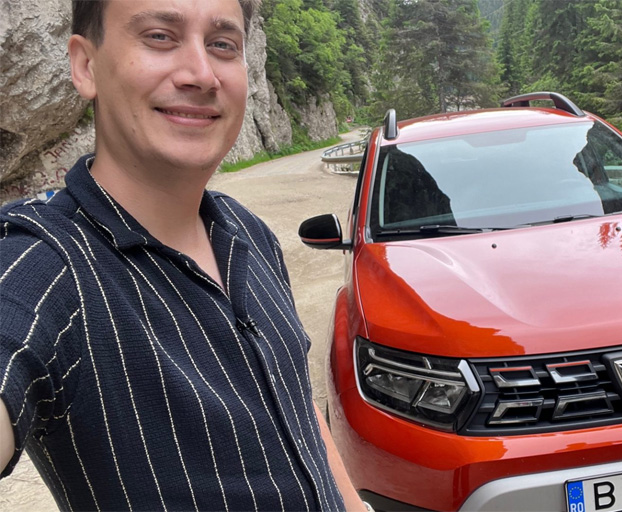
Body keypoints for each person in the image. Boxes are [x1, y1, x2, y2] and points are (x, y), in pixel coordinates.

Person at [0, 0, 364, 509]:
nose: (201, 73)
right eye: (159, 36)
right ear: (85, 66)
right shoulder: (47, 266)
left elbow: (296, 404)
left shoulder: (248, 233)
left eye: (222, 45)